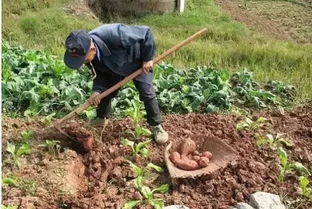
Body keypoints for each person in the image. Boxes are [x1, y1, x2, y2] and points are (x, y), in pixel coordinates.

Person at [63, 24, 168, 144]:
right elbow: (100, 75)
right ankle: (101, 118)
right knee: (105, 93)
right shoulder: (86, 53)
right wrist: (97, 91)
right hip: (113, 67)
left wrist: (148, 58)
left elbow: (146, 32)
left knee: (147, 92)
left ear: (92, 49)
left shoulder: (116, 34)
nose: (83, 63)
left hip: (138, 62)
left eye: (84, 60)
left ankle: (157, 126)